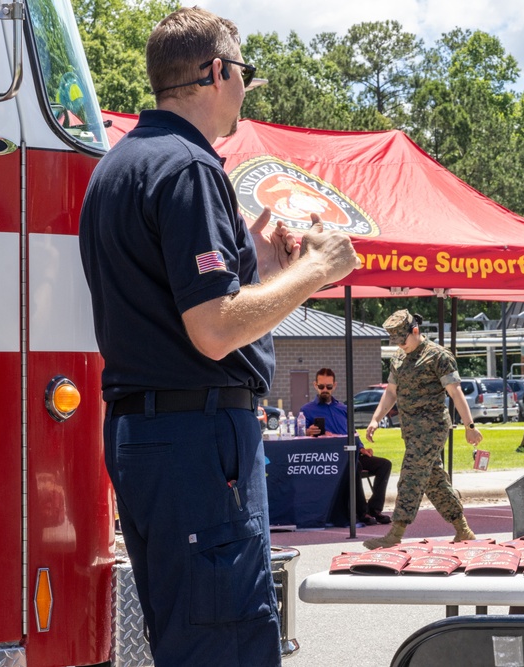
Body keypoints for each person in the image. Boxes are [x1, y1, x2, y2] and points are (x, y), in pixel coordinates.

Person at [78, 8, 360, 665]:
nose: (243, 90)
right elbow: (212, 329)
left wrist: (255, 264)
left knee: (188, 636)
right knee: (227, 635)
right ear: (217, 71)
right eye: (243, 75)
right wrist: (317, 269)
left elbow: (175, 303)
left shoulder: (119, 167)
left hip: (145, 432)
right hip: (198, 437)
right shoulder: (189, 168)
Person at [362, 310, 483, 549]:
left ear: (415, 331)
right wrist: (376, 419)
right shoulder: (399, 357)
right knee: (434, 481)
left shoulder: (437, 356)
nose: (400, 345)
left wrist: (470, 426)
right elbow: (390, 393)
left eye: (403, 340)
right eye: (395, 341)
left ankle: (395, 532)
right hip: (410, 431)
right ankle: (463, 529)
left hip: (432, 429)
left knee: (411, 476)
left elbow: (455, 392)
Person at [299, 368, 393, 524]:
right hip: (332, 457)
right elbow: (300, 435)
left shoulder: (342, 409)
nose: (325, 390)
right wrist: (308, 432)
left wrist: (362, 447)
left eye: (328, 387)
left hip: (354, 453)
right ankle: (361, 512)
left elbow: (353, 432)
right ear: (315, 385)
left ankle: (374, 509)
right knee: (355, 466)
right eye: (321, 386)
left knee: (384, 465)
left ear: (334, 386)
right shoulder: (307, 410)